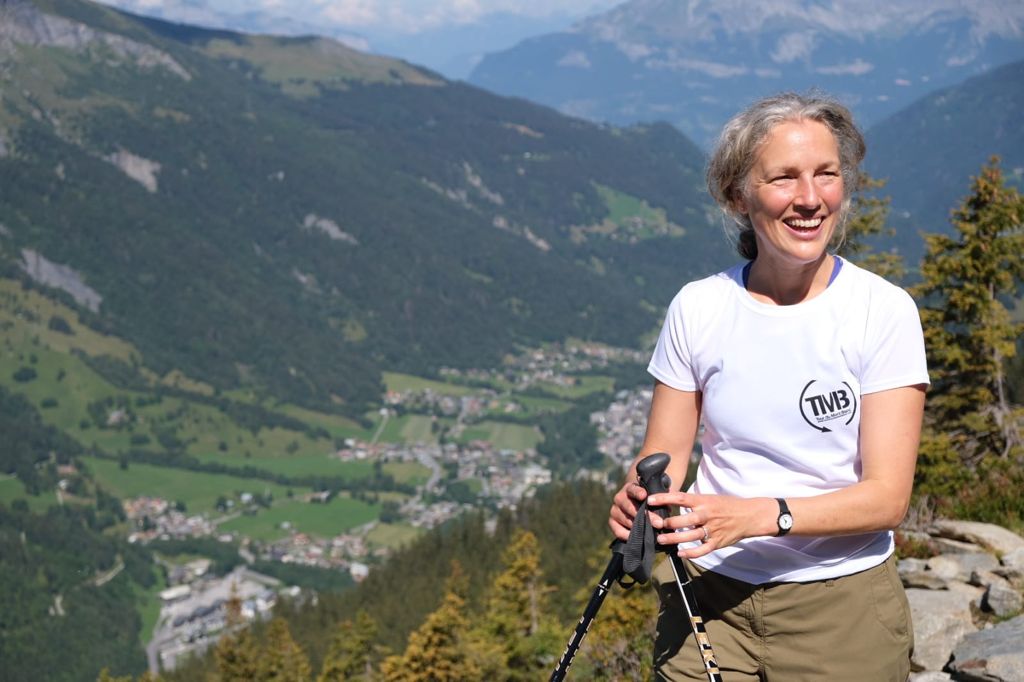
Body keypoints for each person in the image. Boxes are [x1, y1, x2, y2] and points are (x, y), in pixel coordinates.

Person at [608, 92, 928, 681]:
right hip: (707, 601)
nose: (810, 199)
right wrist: (639, 498)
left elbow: (888, 499)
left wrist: (760, 517)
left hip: (841, 610)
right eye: (784, 178)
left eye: (826, 175)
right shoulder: (699, 308)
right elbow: (664, 460)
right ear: (738, 195)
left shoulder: (881, 312)